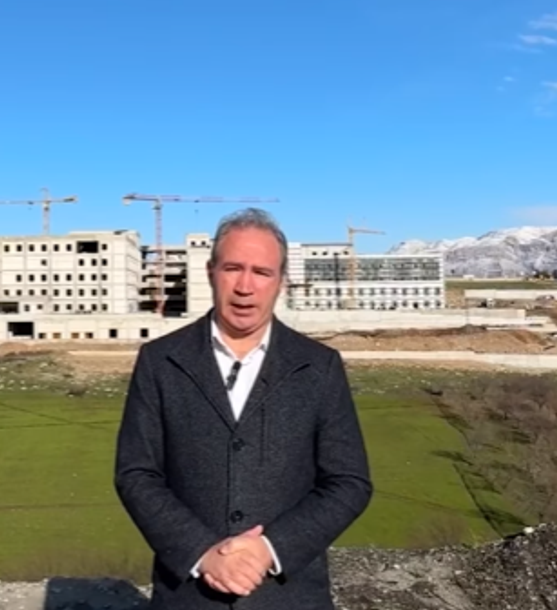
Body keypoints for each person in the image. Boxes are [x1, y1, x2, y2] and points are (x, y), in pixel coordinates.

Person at [114, 208, 372, 609]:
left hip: (290, 599)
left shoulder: (319, 366)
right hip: (189, 598)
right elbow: (136, 473)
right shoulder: (160, 360)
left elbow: (349, 482)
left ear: (281, 282)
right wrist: (201, 553)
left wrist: (271, 548)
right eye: (233, 268)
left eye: (262, 272)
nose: (245, 286)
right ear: (210, 272)